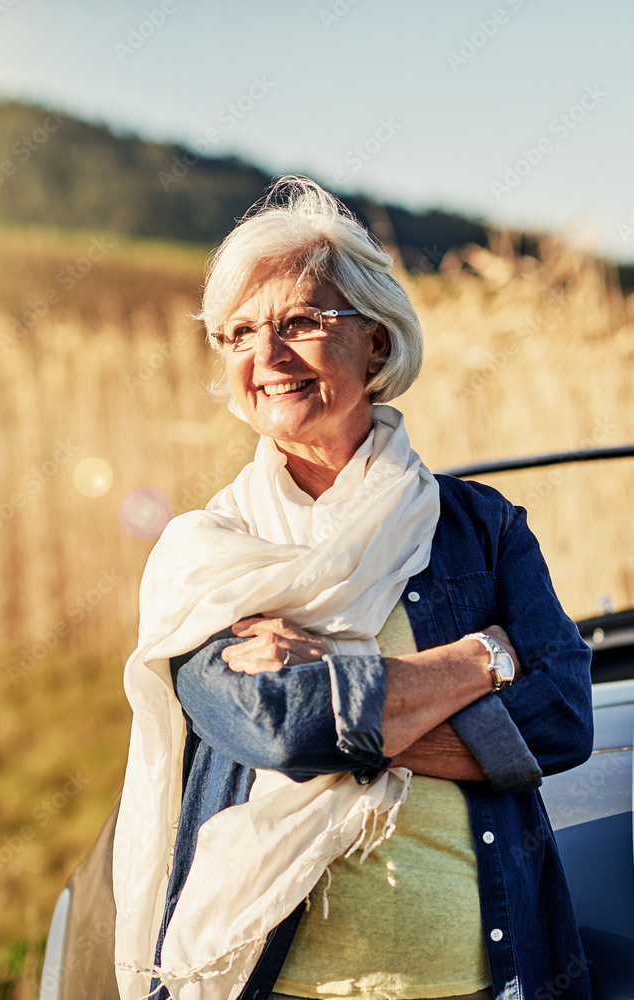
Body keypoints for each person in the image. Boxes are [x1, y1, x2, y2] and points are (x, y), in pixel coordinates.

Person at [112, 177, 593, 1000]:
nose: (266, 358)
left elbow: (564, 719)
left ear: (376, 341)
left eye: (300, 321)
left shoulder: (479, 528)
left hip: (488, 980)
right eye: (239, 334)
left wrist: (337, 685)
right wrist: (480, 662)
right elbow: (281, 731)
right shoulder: (207, 556)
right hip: (278, 980)